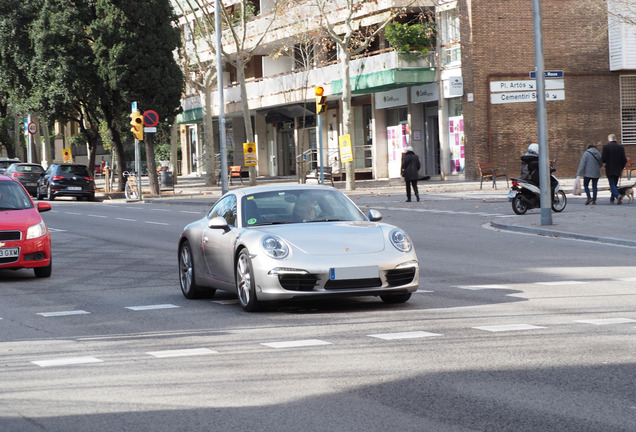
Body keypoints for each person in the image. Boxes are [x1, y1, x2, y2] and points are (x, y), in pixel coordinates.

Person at [601, 134, 627, 204]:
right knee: (614, 185)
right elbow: (624, 160)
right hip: (618, 169)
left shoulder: (606, 147)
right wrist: (621, 167)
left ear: (609, 140)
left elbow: (603, 159)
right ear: (615, 139)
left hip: (609, 168)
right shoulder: (621, 147)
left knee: (612, 184)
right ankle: (612, 199)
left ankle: (617, 196)